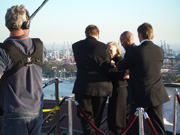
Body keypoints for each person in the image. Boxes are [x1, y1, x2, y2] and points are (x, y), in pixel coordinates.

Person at [0, 5, 46, 135]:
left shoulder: (3, 51)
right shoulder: (40, 46)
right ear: (26, 24)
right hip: (37, 111)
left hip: (14, 112)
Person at [117, 23, 170, 135]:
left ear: (140, 35)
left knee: (133, 127)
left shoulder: (135, 51)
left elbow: (121, 66)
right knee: (158, 127)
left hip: (139, 95)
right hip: (156, 94)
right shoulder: (160, 50)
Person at [72, 24, 113, 135]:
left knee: (85, 118)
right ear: (97, 34)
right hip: (101, 88)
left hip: (83, 87)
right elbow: (107, 68)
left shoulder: (76, 46)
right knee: (97, 118)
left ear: (86, 34)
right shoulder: (104, 47)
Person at [107, 42, 129, 134]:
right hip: (116, 90)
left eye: (111, 50)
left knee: (117, 116)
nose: (109, 52)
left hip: (120, 90)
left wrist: (112, 68)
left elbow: (126, 75)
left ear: (117, 50)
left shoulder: (119, 60)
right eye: (108, 50)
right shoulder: (109, 61)